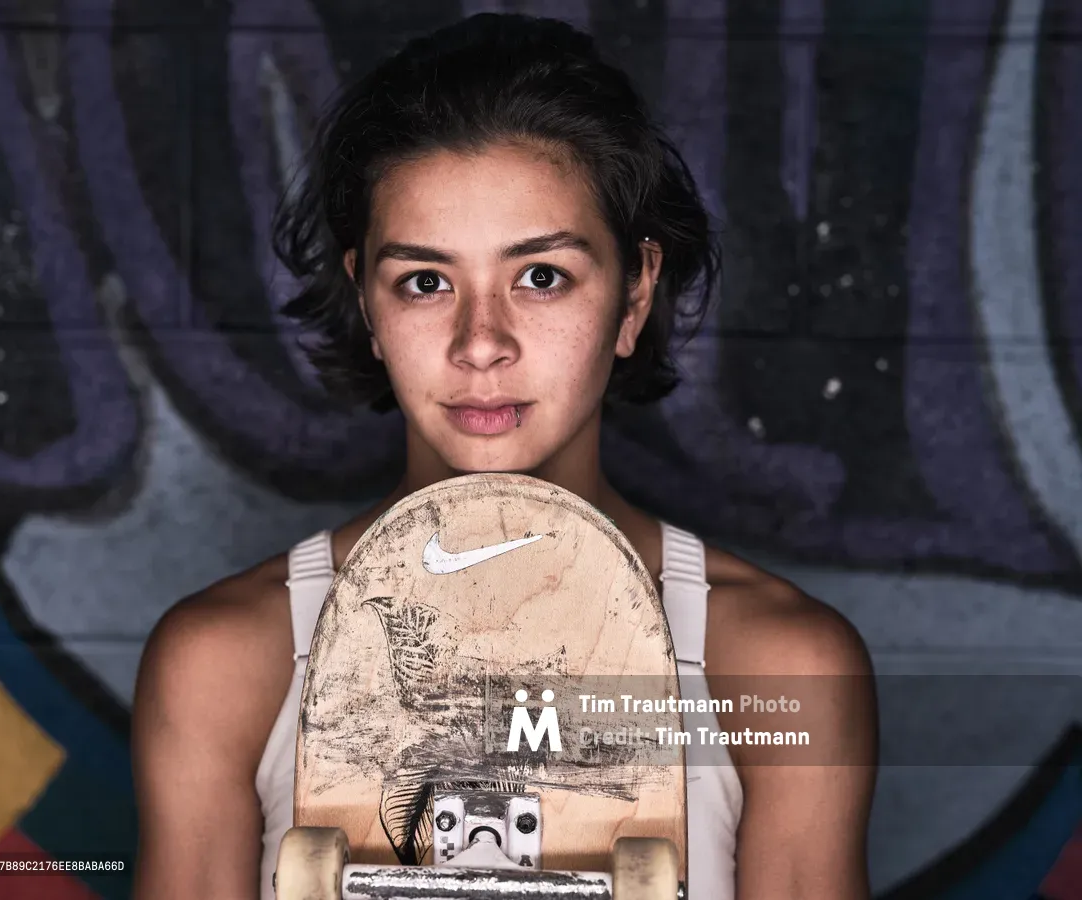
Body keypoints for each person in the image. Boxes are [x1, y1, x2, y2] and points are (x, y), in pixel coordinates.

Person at [130, 13, 878, 900]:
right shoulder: (224, 664)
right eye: (425, 282)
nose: (480, 343)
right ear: (368, 304)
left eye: (541, 276)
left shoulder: (784, 668)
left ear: (635, 294)